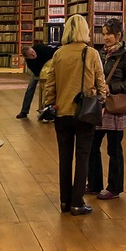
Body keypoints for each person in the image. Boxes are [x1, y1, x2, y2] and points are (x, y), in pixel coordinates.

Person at [40, 14, 108, 215]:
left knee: (64, 157)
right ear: (84, 30)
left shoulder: (58, 54)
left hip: (62, 112)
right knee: (83, 157)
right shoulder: (91, 53)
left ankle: (64, 201)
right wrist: (101, 101)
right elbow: (100, 81)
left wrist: (50, 104)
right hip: (85, 112)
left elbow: (49, 83)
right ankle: (77, 202)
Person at [87, 19, 126, 199]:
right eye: (103, 34)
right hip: (99, 106)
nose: (105, 37)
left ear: (118, 36)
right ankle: (94, 184)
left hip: (114, 108)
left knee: (114, 149)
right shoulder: (100, 54)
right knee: (92, 145)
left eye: (109, 34)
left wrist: (112, 87)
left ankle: (115, 188)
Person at [17, 39, 55, 119]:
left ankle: (49, 110)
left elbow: (53, 52)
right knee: (30, 87)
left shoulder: (40, 47)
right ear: (27, 58)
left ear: (33, 48)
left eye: (33, 52)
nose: (33, 55)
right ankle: (24, 111)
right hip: (39, 71)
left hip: (51, 68)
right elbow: (37, 73)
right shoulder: (29, 62)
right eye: (31, 55)